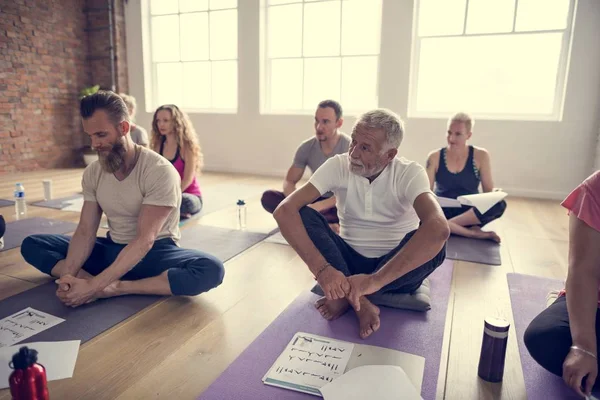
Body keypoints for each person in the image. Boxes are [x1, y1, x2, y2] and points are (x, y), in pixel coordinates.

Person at [20, 91, 224, 307]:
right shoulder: (93, 172)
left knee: (210, 269)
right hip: (112, 248)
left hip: (154, 253)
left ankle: (116, 287)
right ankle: (90, 281)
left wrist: (95, 287)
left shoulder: (159, 170)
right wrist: (68, 278)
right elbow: (86, 230)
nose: (94, 144)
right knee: (33, 244)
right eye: (90, 136)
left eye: (100, 135)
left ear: (124, 128)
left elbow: (145, 239)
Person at [274, 109, 449, 339]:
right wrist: (323, 271)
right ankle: (360, 302)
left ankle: (350, 297)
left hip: (393, 269)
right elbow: (283, 211)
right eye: (353, 142)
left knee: (436, 244)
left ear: (390, 154)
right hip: (346, 262)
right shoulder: (338, 165)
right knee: (303, 214)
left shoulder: (410, 173)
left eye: (365, 147)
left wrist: (373, 281)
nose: (354, 153)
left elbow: (438, 228)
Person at [524, 171, 600, 398]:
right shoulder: (595, 188)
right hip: (595, 302)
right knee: (545, 339)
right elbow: (583, 271)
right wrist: (583, 347)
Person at [261, 100, 351, 231]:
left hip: (337, 203)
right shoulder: (306, 147)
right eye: (316, 121)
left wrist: (319, 206)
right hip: (313, 199)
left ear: (339, 123)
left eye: (325, 122)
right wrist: (295, 203)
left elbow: (350, 191)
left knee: (352, 208)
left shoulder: (349, 148)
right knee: (268, 197)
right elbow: (289, 181)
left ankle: (308, 220)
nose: (319, 127)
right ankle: (318, 223)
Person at [425, 112, 506, 243]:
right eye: (449, 132)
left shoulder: (481, 156)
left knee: (499, 203)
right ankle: (471, 233)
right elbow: (426, 192)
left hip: (470, 214)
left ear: (469, 135)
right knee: (421, 210)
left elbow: (488, 191)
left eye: (458, 134)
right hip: (443, 210)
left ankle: (445, 226)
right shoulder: (434, 157)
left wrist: (495, 195)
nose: (451, 138)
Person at [150, 104, 204, 219]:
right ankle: (170, 212)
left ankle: (169, 211)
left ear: (176, 122)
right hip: (165, 196)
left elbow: (188, 180)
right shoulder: (158, 146)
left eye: (166, 120)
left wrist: (169, 196)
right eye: (158, 121)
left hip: (187, 195)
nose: (161, 124)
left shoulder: (187, 147)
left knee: (185, 202)